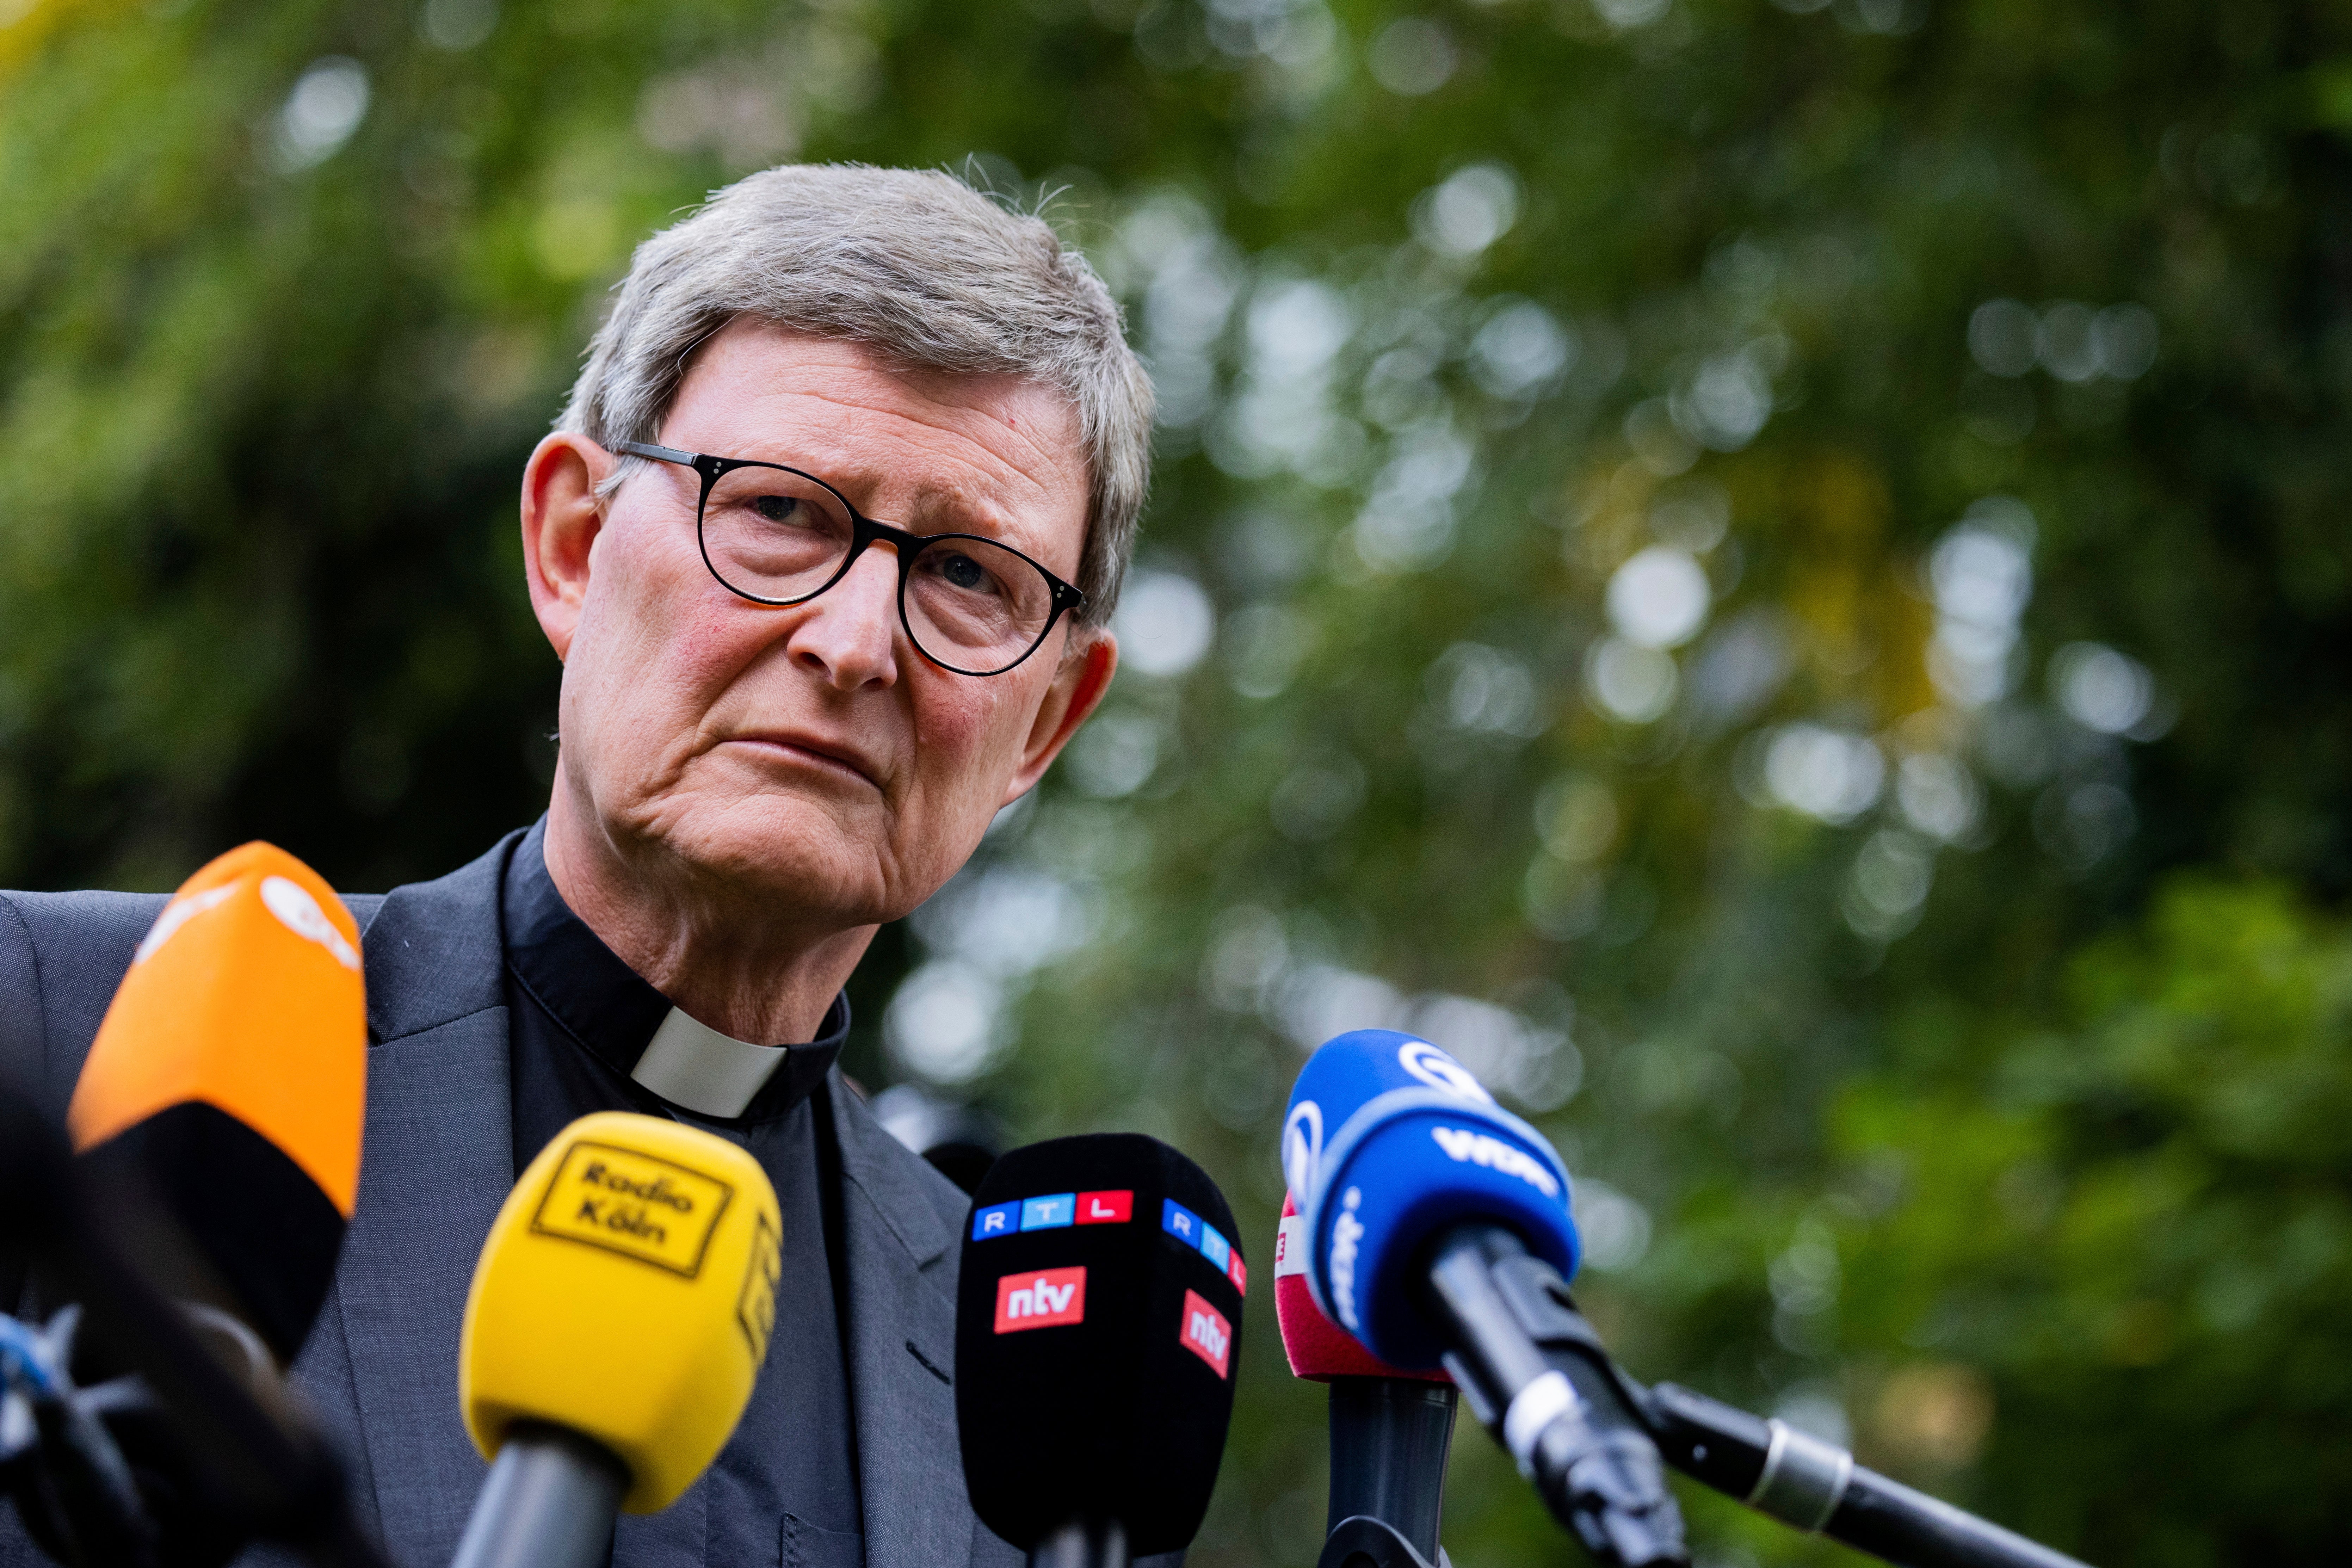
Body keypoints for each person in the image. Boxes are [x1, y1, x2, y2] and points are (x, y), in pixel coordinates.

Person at [0, 163, 1153, 1568]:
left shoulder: (1046, 1393)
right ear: (570, 546)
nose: (855, 644)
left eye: (970, 575)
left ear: (1046, 719)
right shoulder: (60, 1042)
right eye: (780, 511)